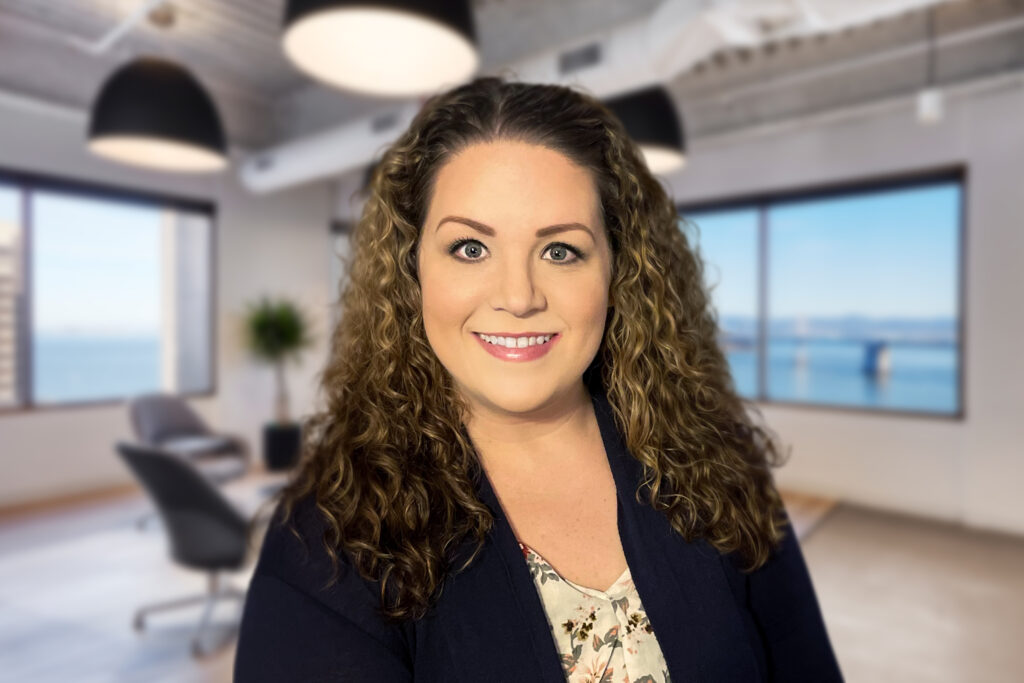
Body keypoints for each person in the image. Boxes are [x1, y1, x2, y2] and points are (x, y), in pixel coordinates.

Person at [233, 75, 844, 682]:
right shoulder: (326, 544)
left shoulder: (715, 463)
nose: (518, 297)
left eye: (560, 251)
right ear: (411, 269)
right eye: (470, 248)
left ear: (617, 271)